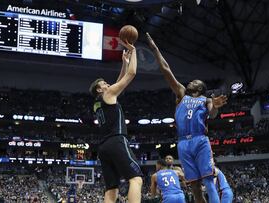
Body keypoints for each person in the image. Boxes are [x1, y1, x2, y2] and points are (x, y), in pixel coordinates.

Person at [146, 33, 228, 203]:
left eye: (195, 82)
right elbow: (166, 70)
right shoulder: (182, 94)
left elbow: (212, 114)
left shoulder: (206, 100)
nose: (191, 82)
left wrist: (216, 107)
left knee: (208, 181)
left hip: (200, 140)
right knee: (195, 187)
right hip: (183, 142)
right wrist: (155, 49)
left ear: (200, 88)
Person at [89, 40, 143, 203]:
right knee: (136, 179)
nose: (108, 84)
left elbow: (119, 82)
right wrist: (133, 52)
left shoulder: (98, 103)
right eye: (104, 83)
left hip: (104, 147)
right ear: (99, 89)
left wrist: (124, 63)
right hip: (117, 141)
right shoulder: (108, 94)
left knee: (111, 189)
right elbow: (132, 74)